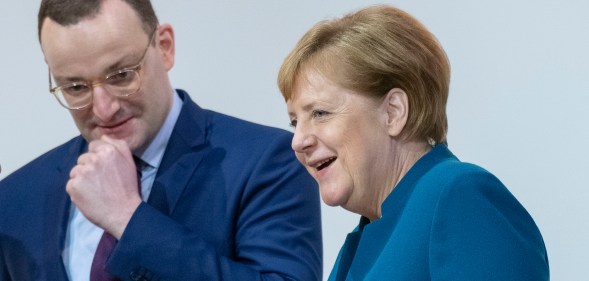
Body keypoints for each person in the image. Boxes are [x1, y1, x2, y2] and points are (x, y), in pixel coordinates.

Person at [0, 0, 322, 280]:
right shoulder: (14, 200)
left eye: (121, 75)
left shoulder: (268, 162)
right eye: (75, 87)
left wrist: (127, 217)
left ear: (164, 46)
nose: (104, 108)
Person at [278, 5, 549, 281]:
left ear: (393, 112)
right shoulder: (359, 246)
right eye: (294, 122)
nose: (298, 141)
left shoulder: (460, 197)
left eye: (320, 113)